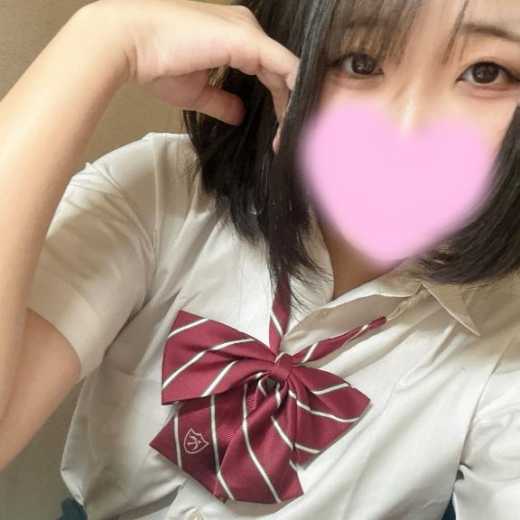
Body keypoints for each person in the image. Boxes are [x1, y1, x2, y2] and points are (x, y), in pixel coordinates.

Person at [0, 0, 519, 518]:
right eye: (360, 62)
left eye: (486, 72)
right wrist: (102, 41)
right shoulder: (159, 191)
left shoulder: (507, 332)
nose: (407, 131)